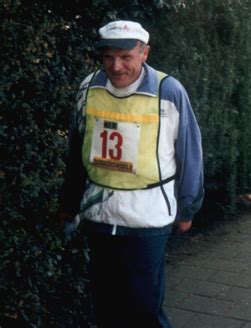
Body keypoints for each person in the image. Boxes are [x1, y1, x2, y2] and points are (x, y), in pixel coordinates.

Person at [58, 20, 204, 327]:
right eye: (109, 57)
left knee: (144, 310)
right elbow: (76, 150)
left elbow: (190, 153)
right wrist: (69, 204)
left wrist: (187, 207)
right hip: (99, 214)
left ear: (145, 53)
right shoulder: (89, 88)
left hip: (146, 218)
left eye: (126, 57)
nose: (117, 66)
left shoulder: (169, 91)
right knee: (106, 306)